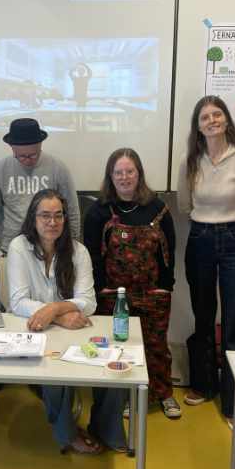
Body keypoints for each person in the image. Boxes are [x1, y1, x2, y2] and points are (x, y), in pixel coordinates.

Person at [7, 189, 127, 455]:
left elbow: (88, 300)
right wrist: (58, 316)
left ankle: (108, 430)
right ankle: (67, 434)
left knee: (113, 364)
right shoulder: (19, 247)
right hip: (39, 330)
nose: (52, 222)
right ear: (33, 219)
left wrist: (55, 309)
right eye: (45, 216)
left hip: (74, 327)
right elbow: (18, 301)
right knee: (54, 373)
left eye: (58, 215)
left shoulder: (78, 251)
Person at [176, 97, 235, 430]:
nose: (211, 120)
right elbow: (184, 204)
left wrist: (227, 222)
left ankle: (232, 402)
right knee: (203, 316)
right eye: (204, 117)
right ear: (198, 126)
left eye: (217, 114)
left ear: (226, 120)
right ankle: (204, 385)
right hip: (200, 240)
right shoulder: (190, 160)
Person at [83, 148, 180, 420]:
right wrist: (100, 287)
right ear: (110, 176)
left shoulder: (158, 208)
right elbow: (91, 254)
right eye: (118, 172)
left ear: (139, 174)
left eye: (130, 171)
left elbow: (169, 250)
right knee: (120, 347)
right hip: (114, 295)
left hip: (153, 293)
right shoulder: (99, 212)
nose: (124, 177)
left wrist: (165, 286)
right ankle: (125, 395)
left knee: (156, 346)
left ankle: (164, 394)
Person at [0, 117, 81, 309]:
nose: (28, 160)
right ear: (12, 148)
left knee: (54, 310)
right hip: (10, 254)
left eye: (33, 155)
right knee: (17, 310)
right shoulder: (0, 170)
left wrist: (72, 250)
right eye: (22, 156)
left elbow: (73, 213)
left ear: (40, 145)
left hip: (53, 255)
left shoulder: (57, 169)